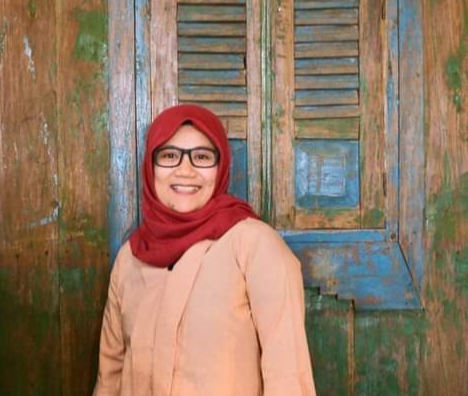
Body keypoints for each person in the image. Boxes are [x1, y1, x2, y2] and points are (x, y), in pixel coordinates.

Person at [93, 104, 316, 396]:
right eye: (169, 156)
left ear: (220, 168)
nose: (185, 171)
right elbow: (110, 376)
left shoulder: (254, 246)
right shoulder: (131, 257)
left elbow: (289, 378)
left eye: (201, 157)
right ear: (150, 167)